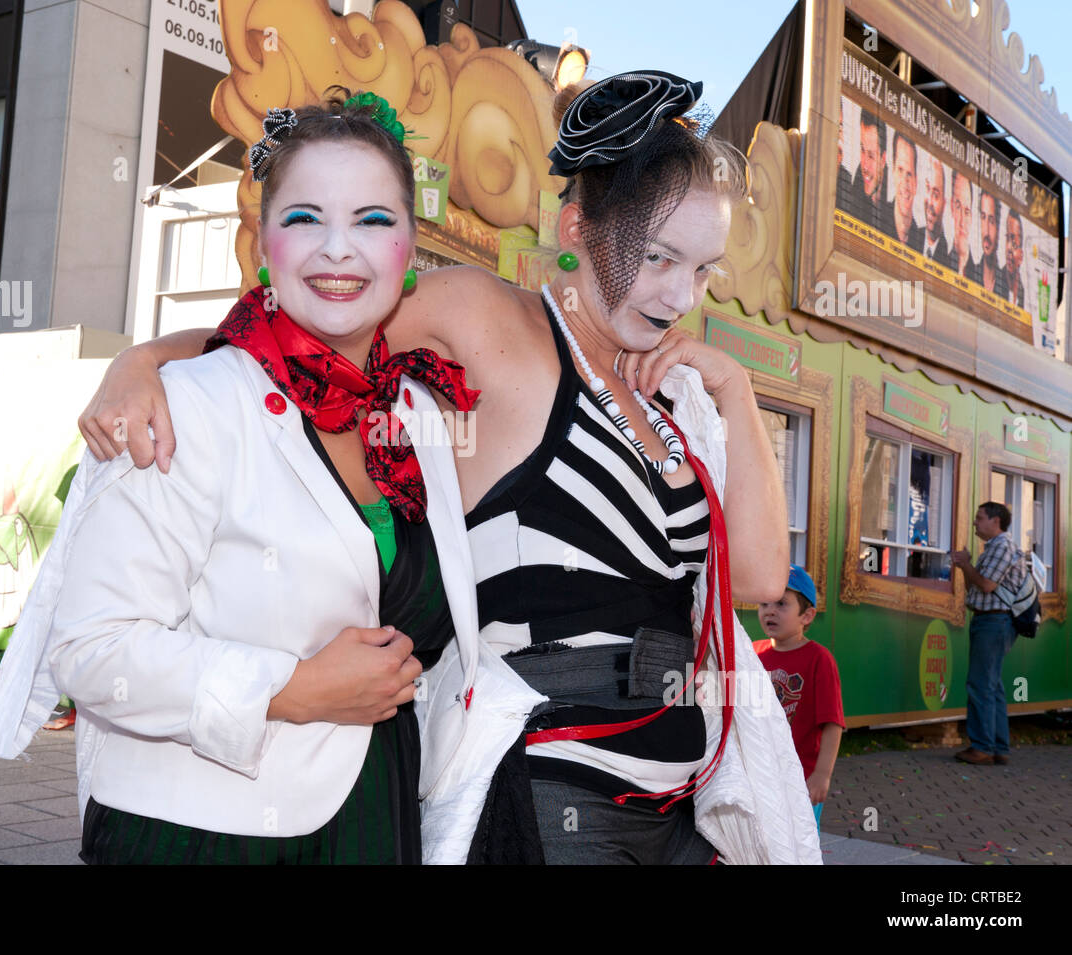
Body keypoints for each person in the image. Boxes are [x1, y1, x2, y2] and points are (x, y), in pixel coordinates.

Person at [78, 71, 820, 864]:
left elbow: (758, 576)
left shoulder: (679, 397)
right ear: (576, 226)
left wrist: (737, 393)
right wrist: (144, 358)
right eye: (658, 257)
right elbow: (307, 329)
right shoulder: (489, 318)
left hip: (684, 801)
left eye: (703, 271)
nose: (680, 294)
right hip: (555, 790)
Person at [0, 92, 528, 865]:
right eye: (305, 218)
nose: (340, 249)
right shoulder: (185, 404)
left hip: (374, 814)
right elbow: (91, 649)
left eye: (374, 219)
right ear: (265, 241)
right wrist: (288, 688)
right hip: (199, 833)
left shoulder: (419, 415)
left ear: (410, 247)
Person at [753, 565, 844, 830]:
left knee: (798, 844)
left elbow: (832, 724)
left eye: (781, 603)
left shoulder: (819, 660)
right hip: (759, 775)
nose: (770, 610)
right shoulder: (753, 654)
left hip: (800, 779)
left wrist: (822, 775)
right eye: (764, 603)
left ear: (807, 615)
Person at [951, 502, 1025, 765]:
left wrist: (965, 564)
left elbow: (985, 584)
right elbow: (979, 584)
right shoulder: (997, 548)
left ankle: (982, 747)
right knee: (992, 686)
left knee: (980, 684)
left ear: (996, 521)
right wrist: (966, 566)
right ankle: (998, 747)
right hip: (994, 622)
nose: (975, 523)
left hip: (993, 622)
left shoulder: (1001, 548)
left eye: (979, 518)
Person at [850, 109, 891, 233]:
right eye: (862, 150)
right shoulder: (850, 203)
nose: (865, 166)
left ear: (883, 160)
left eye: (871, 156)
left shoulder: (894, 211)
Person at [889, 135, 924, 252]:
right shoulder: (875, 223)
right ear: (893, 172)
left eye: (909, 174)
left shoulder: (921, 243)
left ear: (916, 182)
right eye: (900, 170)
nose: (905, 182)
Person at [950, 173, 982, 283]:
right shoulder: (940, 260)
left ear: (972, 217)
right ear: (952, 207)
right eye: (958, 207)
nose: (962, 221)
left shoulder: (979, 279)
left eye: (967, 211)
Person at [978, 190, 1008, 298]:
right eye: (983, 218)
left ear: (999, 228)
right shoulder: (970, 273)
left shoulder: (1005, 288)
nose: (986, 231)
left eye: (991, 221)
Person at [922, 159, 951, 266]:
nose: (930, 202)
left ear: (944, 203)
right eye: (927, 189)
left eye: (935, 195)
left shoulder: (948, 259)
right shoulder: (909, 237)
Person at [1002, 208, 1025, 308]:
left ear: (1021, 255)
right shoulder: (997, 282)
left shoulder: (1023, 294)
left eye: (1014, 244)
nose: (1009, 248)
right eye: (1007, 238)